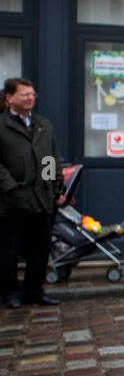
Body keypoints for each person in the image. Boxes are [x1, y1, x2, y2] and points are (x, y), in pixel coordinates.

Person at [0, 77, 65, 308]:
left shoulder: (43, 125)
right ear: (9, 98)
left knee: (40, 249)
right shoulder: (2, 125)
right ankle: (10, 292)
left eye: (33, 94)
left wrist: (54, 188)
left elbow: (50, 158)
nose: (30, 98)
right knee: (8, 250)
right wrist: (10, 187)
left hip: (41, 199)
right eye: (25, 94)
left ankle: (34, 291)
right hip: (11, 201)